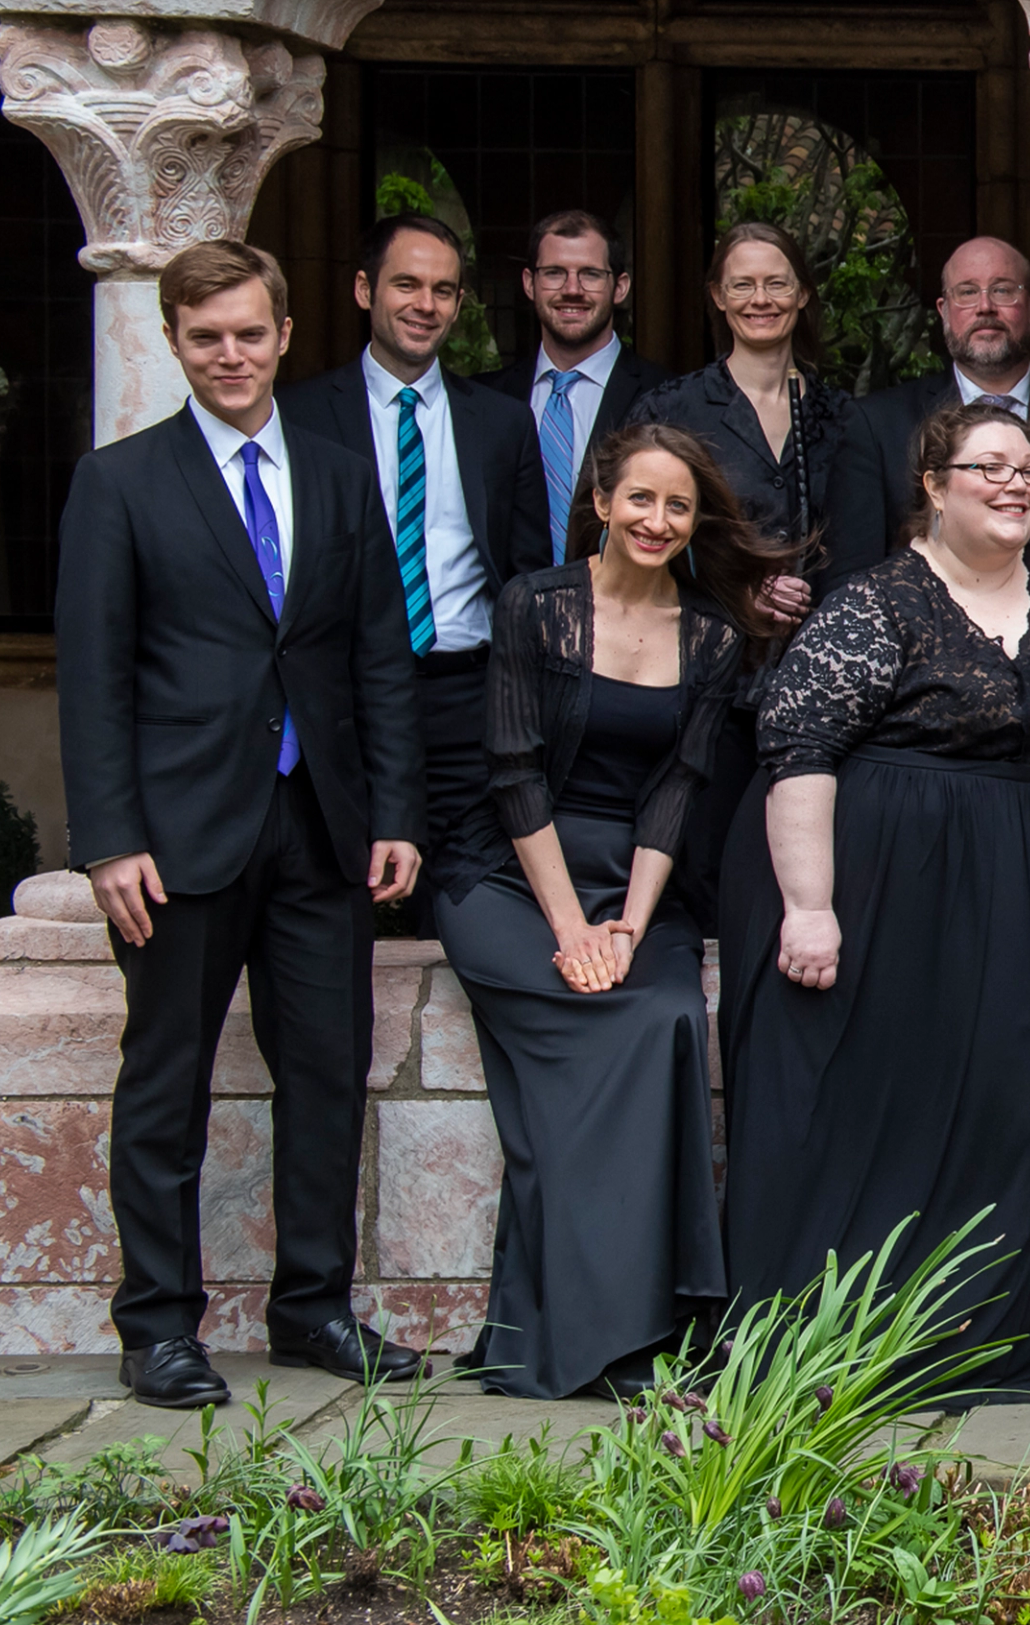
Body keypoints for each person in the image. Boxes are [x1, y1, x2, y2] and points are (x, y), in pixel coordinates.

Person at [725, 402, 1030, 1398]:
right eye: (988, 467)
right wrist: (810, 906)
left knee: (1027, 1103)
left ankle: (1010, 1334)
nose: (1016, 484)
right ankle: (854, 1337)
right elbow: (798, 752)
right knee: (892, 1103)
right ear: (931, 484)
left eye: (1029, 469)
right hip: (893, 890)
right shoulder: (876, 602)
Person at [55, 241, 427, 1406]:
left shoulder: (336, 472)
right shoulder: (119, 484)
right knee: (165, 1084)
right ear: (173, 340)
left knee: (325, 1076)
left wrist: (395, 811)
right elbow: (93, 676)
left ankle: (314, 1308)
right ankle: (158, 1327)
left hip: (320, 828)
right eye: (206, 335)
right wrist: (110, 838)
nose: (231, 354)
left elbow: (379, 657)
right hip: (175, 841)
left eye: (249, 333)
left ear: (285, 334)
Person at [436, 424, 790, 1400]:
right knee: (609, 1028)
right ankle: (606, 1335)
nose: (657, 520)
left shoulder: (712, 635)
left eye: (677, 506)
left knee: (669, 1013)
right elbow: (513, 779)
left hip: (635, 885)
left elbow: (677, 788)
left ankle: (631, 1329)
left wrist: (629, 926)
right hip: (512, 881)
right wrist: (572, 931)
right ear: (600, 500)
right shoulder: (534, 606)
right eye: (640, 499)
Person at [278, 214, 554, 926]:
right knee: (347, 896)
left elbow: (528, 575)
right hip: (348, 699)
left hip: (468, 697)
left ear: (460, 304)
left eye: (442, 290)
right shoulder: (297, 416)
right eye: (406, 284)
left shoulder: (501, 423)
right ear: (365, 289)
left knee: (467, 905)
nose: (424, 305)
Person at [828, 237, 1030, 580]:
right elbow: (850, 578)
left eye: (1003, 290)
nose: (985, 307)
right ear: (943, 310)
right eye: (966, 292)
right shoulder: (875, 426)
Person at [635, 223, 842, 619]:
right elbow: (628, 538)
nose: (760, 300)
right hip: (702, 651)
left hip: (823, 654)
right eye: (742, 285)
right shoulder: (670, 411)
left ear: (802, 294)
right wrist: (735, 592)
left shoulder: (843, 418)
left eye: (777, 284)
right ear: (718, 296)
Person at [523, 210, 649, 564]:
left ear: (620, 287)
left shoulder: (666, 395)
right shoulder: (488, 401)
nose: (572, 290)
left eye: (590, 275)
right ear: (529, 283)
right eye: (554, 274)